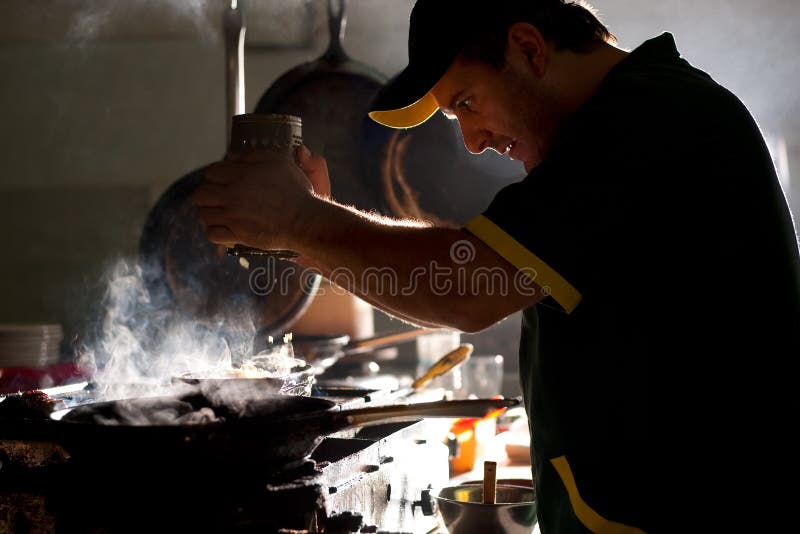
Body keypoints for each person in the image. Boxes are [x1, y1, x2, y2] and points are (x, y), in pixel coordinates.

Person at [193, 0, 800, 531]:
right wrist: (306, 233)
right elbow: (465, 277)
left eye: (465, 103)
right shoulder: (641, 112)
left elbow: (462, 287)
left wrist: (301, 222)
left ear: (529, 48)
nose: (474, 140)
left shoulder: (648, 121)